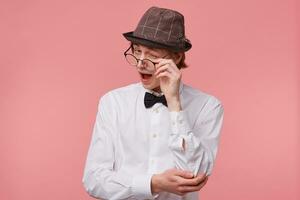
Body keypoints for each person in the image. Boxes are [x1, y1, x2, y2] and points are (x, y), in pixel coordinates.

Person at [82, 6, 224, 200]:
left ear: (177, 57)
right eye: (137, 51)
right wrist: (152, 183)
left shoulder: (208, 106)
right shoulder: (113, 102)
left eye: (152, 56)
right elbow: (94, 179)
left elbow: (195, 175)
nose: (141, 62)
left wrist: (174, 104)